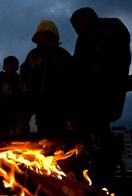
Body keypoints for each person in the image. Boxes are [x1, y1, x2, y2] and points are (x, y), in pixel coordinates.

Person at [70, 7, 131, 187]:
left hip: (108, 86)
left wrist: (99, 60)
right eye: (73, 26)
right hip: (89, 92)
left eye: (77, 23)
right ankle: (94, 172)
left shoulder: (112, 26)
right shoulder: (81, 39)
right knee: (91, 129)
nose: (76, 28)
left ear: (88, 18)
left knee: (99, 127)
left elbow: (115, 42)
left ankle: (105, 166)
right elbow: (77, 63)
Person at [20, 19, 73, 138]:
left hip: (60, 101)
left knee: (60, 133)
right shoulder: (32, 54)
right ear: (37, 37)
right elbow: (24, 71)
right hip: (39, 100)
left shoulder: (62, 54)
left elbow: (72, 75)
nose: (45, 37)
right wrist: (27, 91)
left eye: (49, 34)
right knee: (43, 133)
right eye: (42, 34)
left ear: (54, 37)